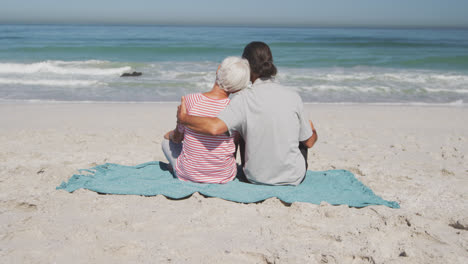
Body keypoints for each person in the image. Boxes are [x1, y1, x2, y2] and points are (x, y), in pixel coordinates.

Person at [177, 41, 317, 186]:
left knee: (242, 127)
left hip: (255, 177)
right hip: (293, 177)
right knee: (302, 134)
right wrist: (312, 131)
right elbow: (309, 142)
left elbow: (214, 127)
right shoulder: (293, 96)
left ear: (247, 67)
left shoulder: (242, 98)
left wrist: (184, 118)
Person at [162, 56, 250, 183]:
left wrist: (169, 135)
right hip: (224, 176)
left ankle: (178, 167)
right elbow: (234, 142)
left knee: (166, 142)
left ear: (218, 70)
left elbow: (178, 138)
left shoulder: (190, 100)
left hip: (189, 175)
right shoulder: (235, 110)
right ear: (238, 88)